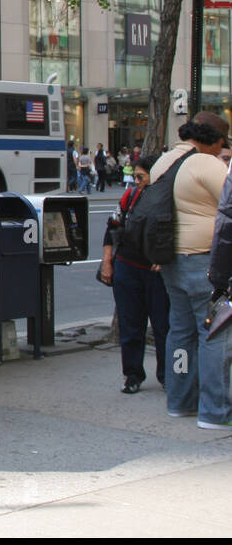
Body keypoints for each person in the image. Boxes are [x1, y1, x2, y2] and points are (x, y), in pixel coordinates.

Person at [150, 112, 232, 427]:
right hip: (204, 260)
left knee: (180, 333)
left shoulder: (164, 161)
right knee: (215, 335)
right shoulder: (206, 163)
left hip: (172, 260)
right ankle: (215, 411)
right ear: (214, 139)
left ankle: (180, 401)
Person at [101, 155, 168, 394]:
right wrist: (107, 263)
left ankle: (166, 376)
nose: (136, 181)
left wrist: (163, 258)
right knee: (131, 325)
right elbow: (111, 228)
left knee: (163, 327)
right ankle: (132, 375)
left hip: (157, 272)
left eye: (141, 177)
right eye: (136, 176)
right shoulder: (130, 197)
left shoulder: (168, 200)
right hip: (128, 267)